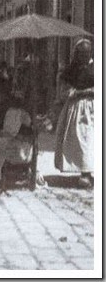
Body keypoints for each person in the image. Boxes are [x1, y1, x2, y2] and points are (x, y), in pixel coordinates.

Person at [54, 39, 94, 188]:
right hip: (76, 108)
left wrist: (84, 92)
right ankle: (84, 173)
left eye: (82, 53)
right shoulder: (73, 68)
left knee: (91, 140)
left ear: (88, 52)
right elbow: (63, 85)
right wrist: (69, 91)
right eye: (78, 53)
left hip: (93, 107)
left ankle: (89, 172)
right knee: (81, 140)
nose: (79, 56)